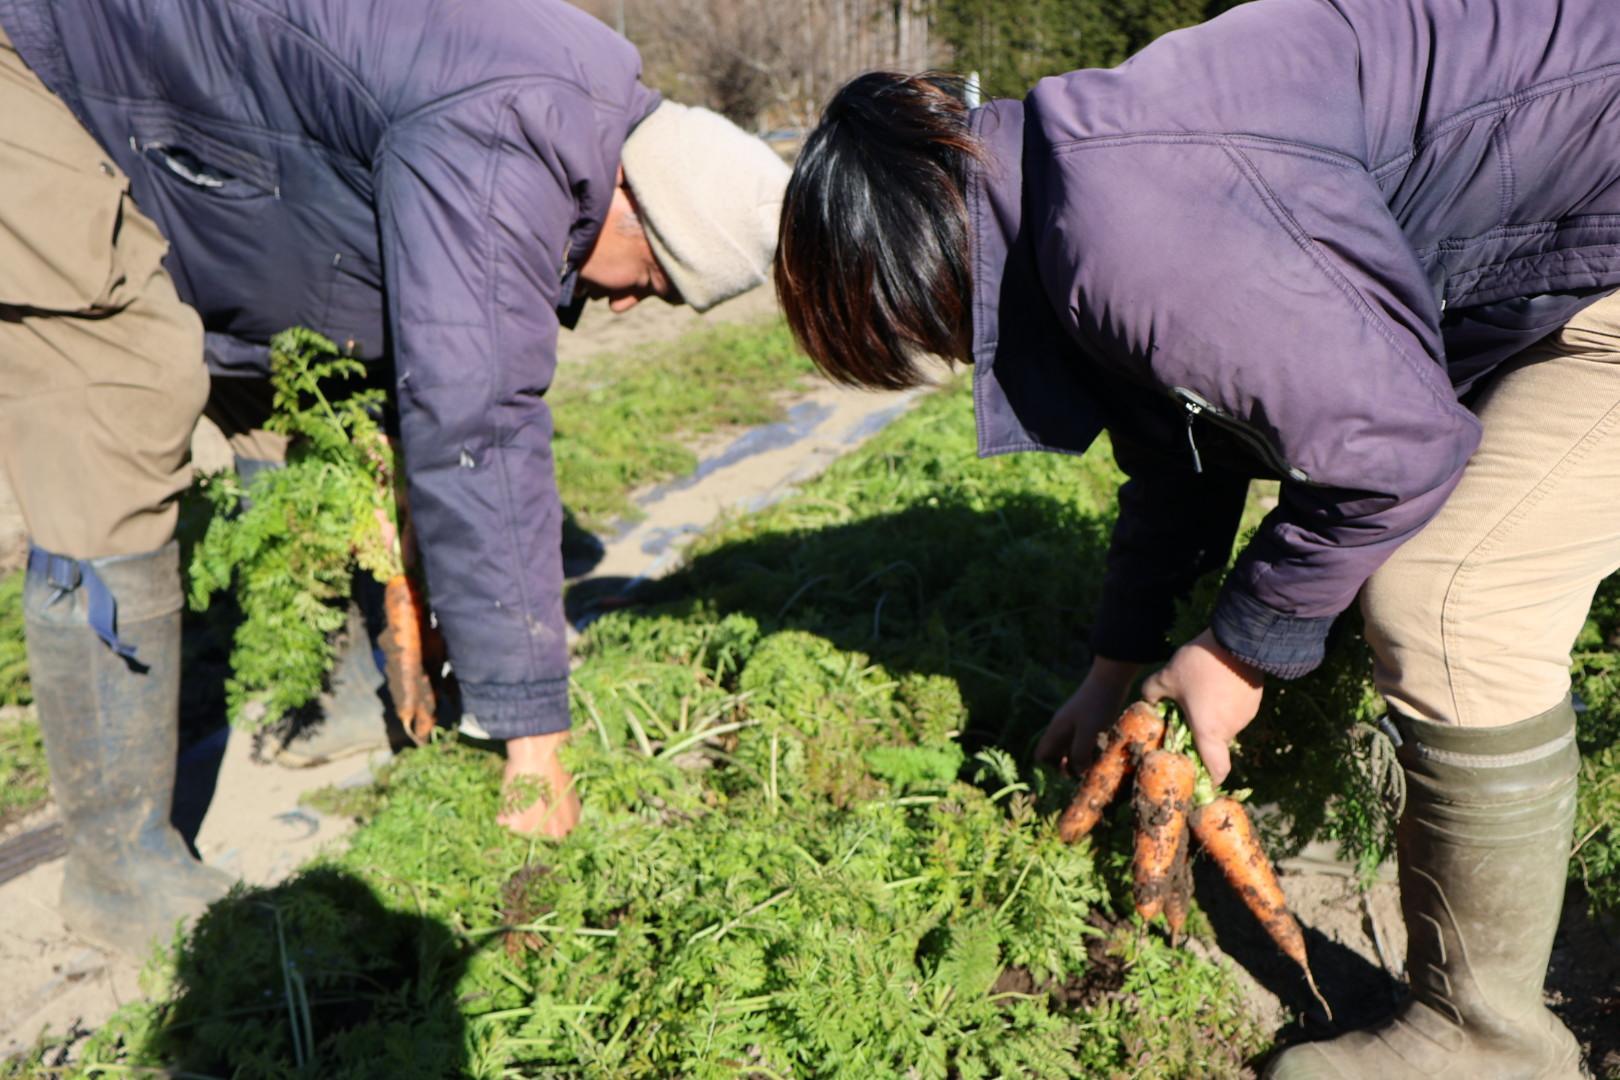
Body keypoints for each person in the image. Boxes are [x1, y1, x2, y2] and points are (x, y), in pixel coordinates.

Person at [773, 0, 1618, 1075]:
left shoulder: (1132, 228)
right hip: (1568, 219)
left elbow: (1397, 444)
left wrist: (1237, 651)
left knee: (1448, 598)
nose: (948, 357)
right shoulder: (1080, 180)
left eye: (927, 339)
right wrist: (1114, 665)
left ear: (923, 266)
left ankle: (1485, 1041)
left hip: (1602, 235)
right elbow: (1185, 451)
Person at [0, 0, 787, 954]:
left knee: (316, 365)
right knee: (123, 375)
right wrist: (534, 740)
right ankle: (117, 870)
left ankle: (321, 696)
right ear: (632, 199)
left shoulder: (566, 103)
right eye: (650, 278)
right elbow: (478, 420)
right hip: (34, 58)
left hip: (153, 91)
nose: (623, 302)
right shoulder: (514, 124)